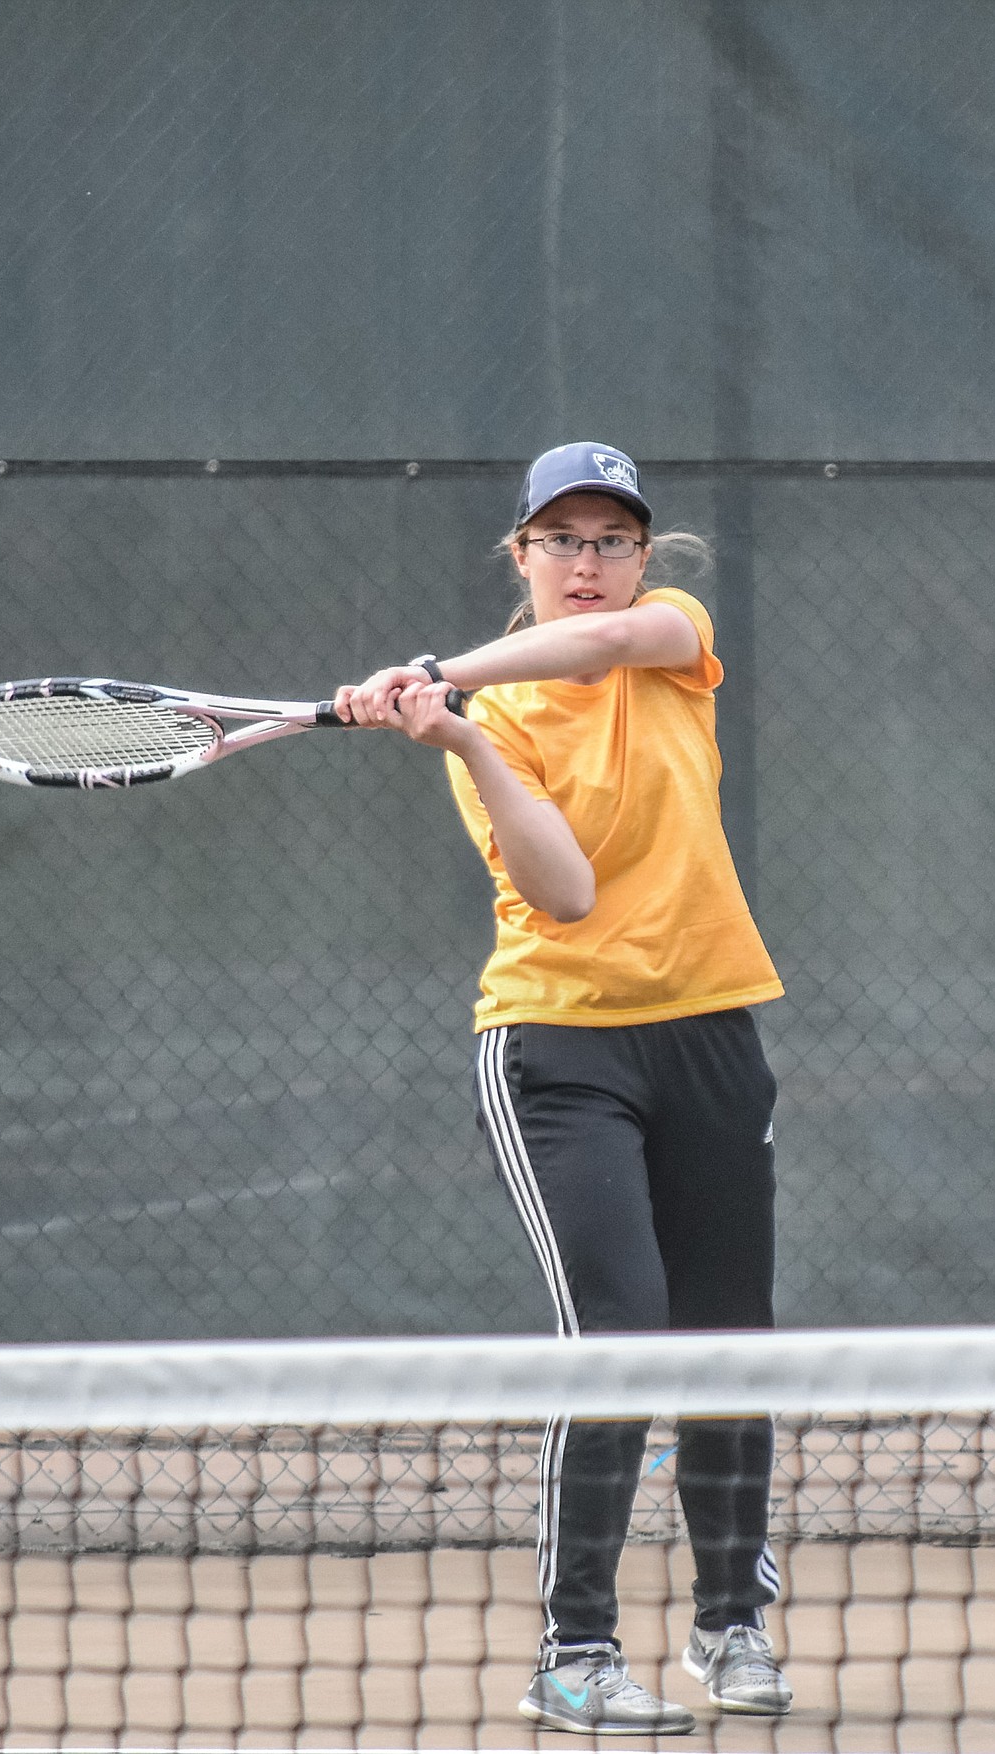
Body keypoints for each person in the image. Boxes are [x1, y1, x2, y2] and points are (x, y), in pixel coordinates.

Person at [333, 442, 792, 1735]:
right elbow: (567, 894)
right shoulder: (496, 721)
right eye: (561, 539)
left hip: (708, 1029)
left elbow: (606, 645)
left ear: (642, 557)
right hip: (557, 1049)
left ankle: (728, 1623)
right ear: (518, 554)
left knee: (728, 1340)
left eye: (609, 539)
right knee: (620, 1337)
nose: (587, 562)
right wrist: (467, 738)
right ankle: (573, 1652)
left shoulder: (669, 635)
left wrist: (439, 674)